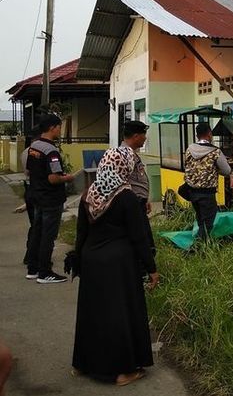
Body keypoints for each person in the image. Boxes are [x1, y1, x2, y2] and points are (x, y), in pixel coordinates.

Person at [72, 147, 159, 386]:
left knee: (92, 313)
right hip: (119, 264)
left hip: (91, 260)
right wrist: (151, 268)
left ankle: (83, 364)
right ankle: (122, 372)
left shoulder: (89, 193)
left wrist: (78, 261)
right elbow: (138, 237)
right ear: (124, 167)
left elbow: (81, 233)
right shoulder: (126, 196)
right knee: (120, 315)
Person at [25, 114, 74, 284]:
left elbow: (29, 172)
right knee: (48, 236)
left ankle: (33, 269)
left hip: (37, 196)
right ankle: (45, 272)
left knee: (37, 233)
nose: (60, 130)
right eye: (59, 127)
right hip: (51, 199)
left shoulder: (34, 147)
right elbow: (54, 178)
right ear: (52, 127)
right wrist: (68, 178)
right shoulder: (51, 151)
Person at [184, 122, 231, 240]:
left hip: (192, 192)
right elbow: (227, 171)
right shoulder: (215, 152)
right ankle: (196, 249)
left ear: (197, 135)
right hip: (207, 193)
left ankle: (204, 245)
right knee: (207, 224)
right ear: (209, 134)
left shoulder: (189, 149)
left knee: (200, 220)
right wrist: (216, 170)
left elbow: (188, 166)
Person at [120, 121, 155, 259]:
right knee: (142, 240)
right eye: (143, 135)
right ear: (135, 136)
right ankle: (142, 273)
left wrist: (145, 199)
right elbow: (123, 181)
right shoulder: (125, 155)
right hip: (132, 204)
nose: (145, 138)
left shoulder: (130, 153)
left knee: (144, 238)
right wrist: (136, 200)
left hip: (138, 202)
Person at [20, 126, 40, 265]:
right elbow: (30, 172)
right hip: (36, 188)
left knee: (34, 224)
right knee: (38, 225)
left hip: (29, 188)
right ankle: (32, 256)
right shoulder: (35, 152)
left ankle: (31, 254)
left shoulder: (25, 152)